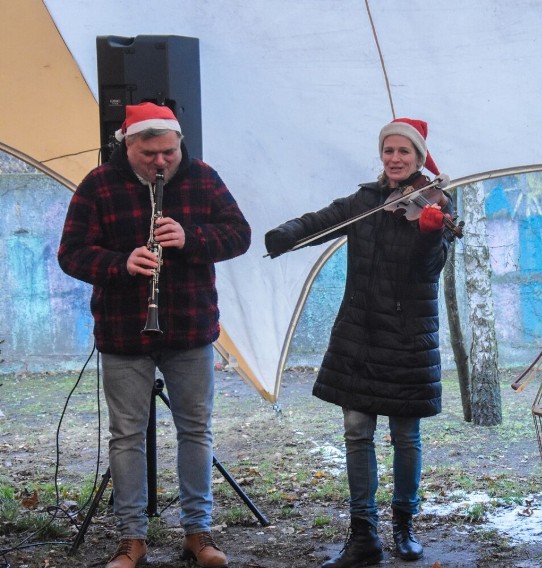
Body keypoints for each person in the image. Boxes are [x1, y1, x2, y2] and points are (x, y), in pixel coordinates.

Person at [58, 102, 251, 568]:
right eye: (150, 154)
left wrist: (192, 238)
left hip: (189, 327)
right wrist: (119, 264)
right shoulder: (99, 184)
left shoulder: (202, 177)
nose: (161, 162)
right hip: (124, 329)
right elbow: (71, 253)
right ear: (127, 145)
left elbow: (239, 235)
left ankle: (198, 533)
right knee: (126, 435)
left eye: (169, 152)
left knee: (196, 431)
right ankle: (132, 539)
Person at [265, 118, 456, 567]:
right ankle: (363, 532)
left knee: (405, 436)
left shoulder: (436, 202)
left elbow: (430, 272)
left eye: (404, 152)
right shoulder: (365, 201)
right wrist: (285, 236)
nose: (394, 159)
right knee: (356, 433)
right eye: (388, 151)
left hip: (409, 337)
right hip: (360, 335)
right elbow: (322, 220)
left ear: (419, 157)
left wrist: (431, 233)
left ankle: (404, 527)